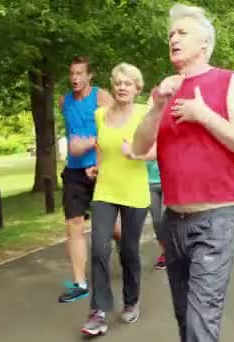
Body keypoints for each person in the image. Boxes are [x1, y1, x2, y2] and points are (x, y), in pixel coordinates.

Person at [132, 4, 234, 342]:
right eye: (171, 34)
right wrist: (158, 105)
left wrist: (202, 114)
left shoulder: (227, 81)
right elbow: (139, 145)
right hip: (173, 220)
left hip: (217, 219)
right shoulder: (163, 91)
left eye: (182, 33)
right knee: (184, 318)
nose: (173, 38)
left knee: (200, 319)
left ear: (204, 43)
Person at [80, 63, 150, 336]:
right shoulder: (100, 115)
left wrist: (136, 154)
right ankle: (98, 312)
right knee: (98, 248)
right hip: (105, 190)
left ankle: (131, 301)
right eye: (119, 82)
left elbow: (156, 149)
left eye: (128, 83)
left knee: (129, 250)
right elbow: (101, 148)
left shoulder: (145, 114)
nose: (122, 87)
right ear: (113, 85)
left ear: (137, 88)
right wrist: (96, 166)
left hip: (134, 191)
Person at [58, 56, 114, 303]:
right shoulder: (64, 101)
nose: (75, 78)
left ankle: (127, 248)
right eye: (72, 73)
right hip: (74, 172)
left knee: (113, 227)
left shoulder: (101, 98)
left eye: (80, 73)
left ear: (90, 76)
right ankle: (80, 283)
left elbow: (116, 130)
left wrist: (89, 144)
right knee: (74, 226)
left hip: (101, 168)